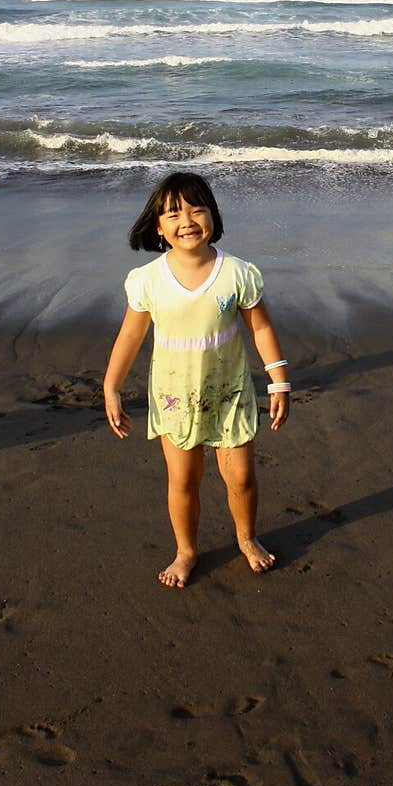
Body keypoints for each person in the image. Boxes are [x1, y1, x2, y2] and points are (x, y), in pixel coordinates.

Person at [103, 170, 290, 588]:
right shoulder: (148, 280)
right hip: (175, 397)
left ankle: (246, 537)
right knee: (183, 480)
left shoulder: (238, 272)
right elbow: (131, 335)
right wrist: (110, 387)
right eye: (173, 213)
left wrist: (279, 381)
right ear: (158, 226)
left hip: (231, 391)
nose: (186, 220)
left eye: (196, 209)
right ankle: (186, 551)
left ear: (213, 216)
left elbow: (261, 329)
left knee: (240, 476)